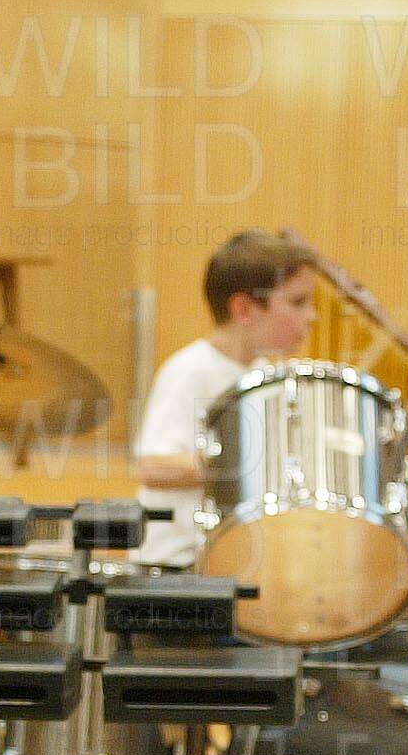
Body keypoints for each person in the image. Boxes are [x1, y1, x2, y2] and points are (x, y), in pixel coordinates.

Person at [130, 229, 316, 567]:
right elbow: (153, 467)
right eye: (298, 302)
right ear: (244, 309)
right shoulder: (188, 371)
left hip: (229, 563)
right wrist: (251, 461)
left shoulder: (264, 373)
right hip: (173, 570)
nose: (311, 316)